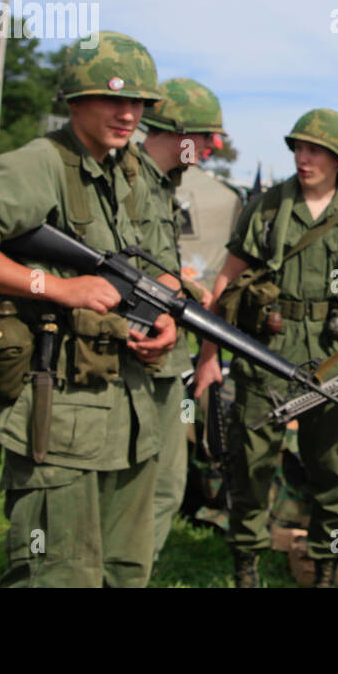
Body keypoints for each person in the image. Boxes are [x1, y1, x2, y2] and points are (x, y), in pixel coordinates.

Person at [0, 31, 177, 587]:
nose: (127, 113)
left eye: (137, 102)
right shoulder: (38, 163)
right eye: (112, 98)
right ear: (74, 100)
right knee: (58, 575)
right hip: (58, 412)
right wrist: (58, 288)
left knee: (125, 572)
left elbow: (158, 267)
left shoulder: (128, 170)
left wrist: (164, 316)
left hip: (131, 414)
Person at [193, 108, 338, 587]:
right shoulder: (269, 206)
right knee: (250, 465)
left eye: (315, 149)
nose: (303, 157)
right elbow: (228, 278)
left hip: (333, 359)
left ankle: (324, 568)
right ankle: (247, 565)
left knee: (331, 472)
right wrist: (209, 356)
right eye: (298, 147)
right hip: (265, 354)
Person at [131, 77, 227, 562]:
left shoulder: (163, 186)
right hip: (130, 358)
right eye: (207, 136)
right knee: (136, 490)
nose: (214, 146)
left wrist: (185, 287)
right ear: (181, 131)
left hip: (164, 357)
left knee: (166, 486)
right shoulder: (126, 180)